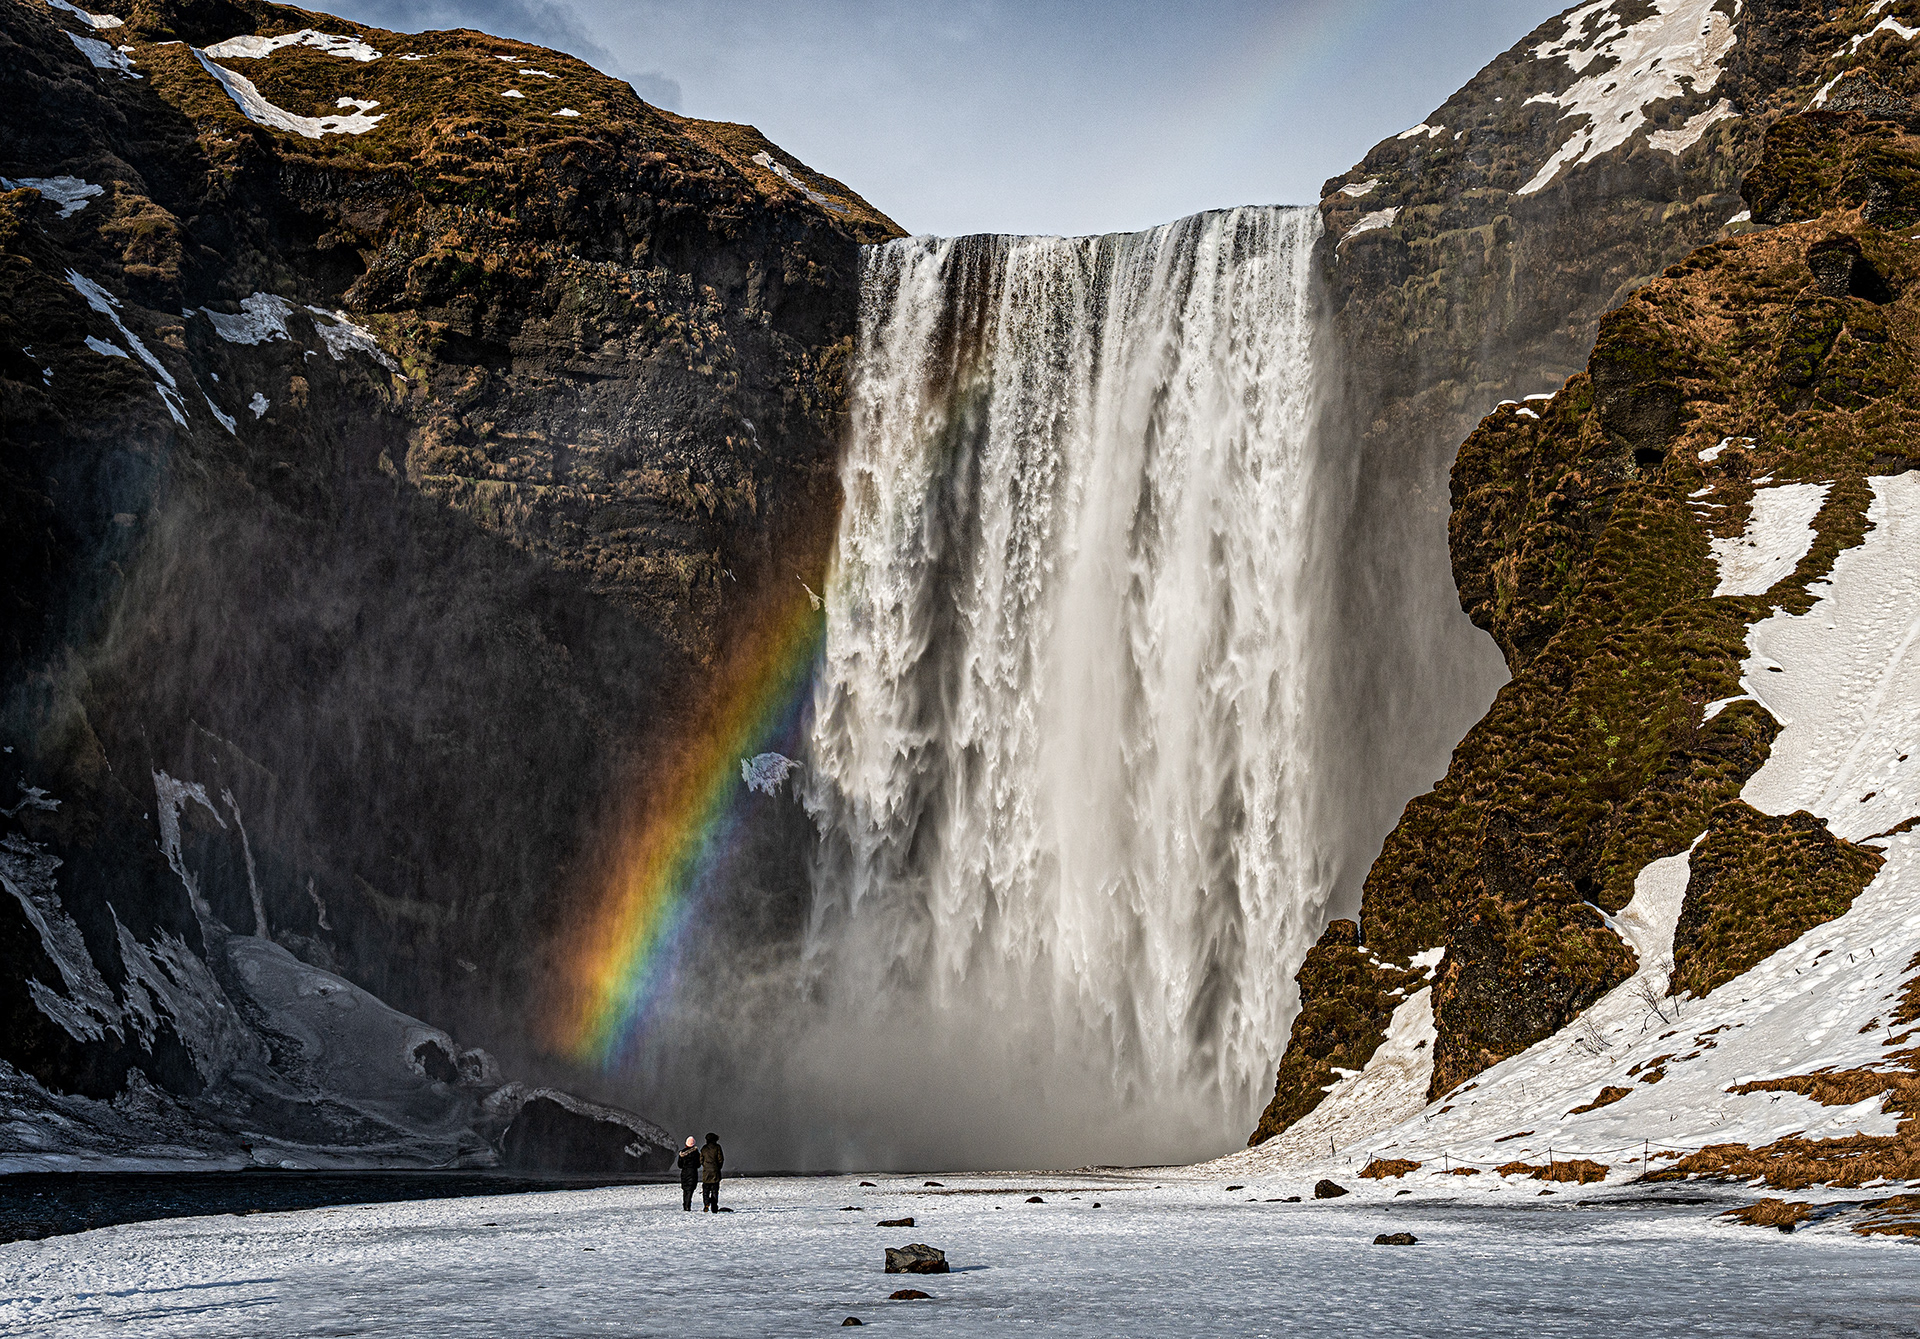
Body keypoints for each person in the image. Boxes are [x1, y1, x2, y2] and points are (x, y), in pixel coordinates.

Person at [699, 1131, 724, 1212]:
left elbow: (701, 1160)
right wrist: (717, 1167)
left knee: (706, 1190)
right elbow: (720, 1159)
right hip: (715, 1171)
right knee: (714, 1190)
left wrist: (706, 1166)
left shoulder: (704, 1148)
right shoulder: (717, 1147)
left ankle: (706, 1203)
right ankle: (714, 1206)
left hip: (706, 1172)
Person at [677, 1136, 700, 1211]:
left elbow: (679, 1165)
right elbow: (698, 1164)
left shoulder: (682, 1153)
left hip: (684, 1173)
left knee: (685, 1189)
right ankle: (687, 1205)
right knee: (690, 1189)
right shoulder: (696, 1153)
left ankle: (685, 1205)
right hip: (693, 1172)